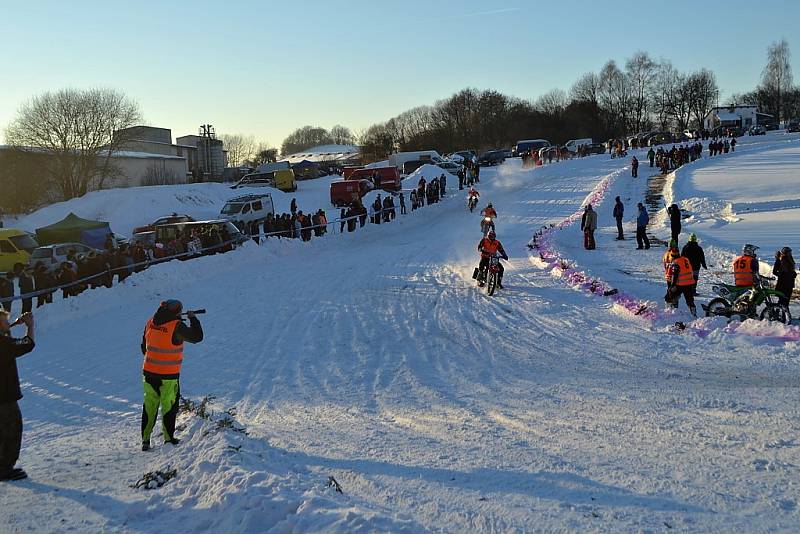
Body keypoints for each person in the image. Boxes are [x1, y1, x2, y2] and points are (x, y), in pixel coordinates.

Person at [140, 300, 203, 451]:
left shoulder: (150, 322)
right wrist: (193, 319)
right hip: (168, 376)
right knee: (169, 406)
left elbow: (144, 347)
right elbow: (197, 337)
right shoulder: (176, 326)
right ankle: (168, 439)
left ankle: (145, 440)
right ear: (177, 312)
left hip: (148, 373)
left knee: (149, 406)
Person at [0, 309, 35, 481]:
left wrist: (9, 327)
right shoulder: (3, 344)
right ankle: (4, 468)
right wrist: (30, 326)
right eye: (4, 320)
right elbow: (27, 344)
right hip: (4, 397)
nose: (8, 322)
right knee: (12, 429)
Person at [665, 249, 697, 316]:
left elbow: (674, 275)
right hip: (690, 282)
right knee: (689, 299)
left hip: (680, 284)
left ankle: (671, 312)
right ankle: (693, 313)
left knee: (670, 296)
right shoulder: (685, 259)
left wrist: (672, 286)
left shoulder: (676, 262)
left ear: (672, 256)